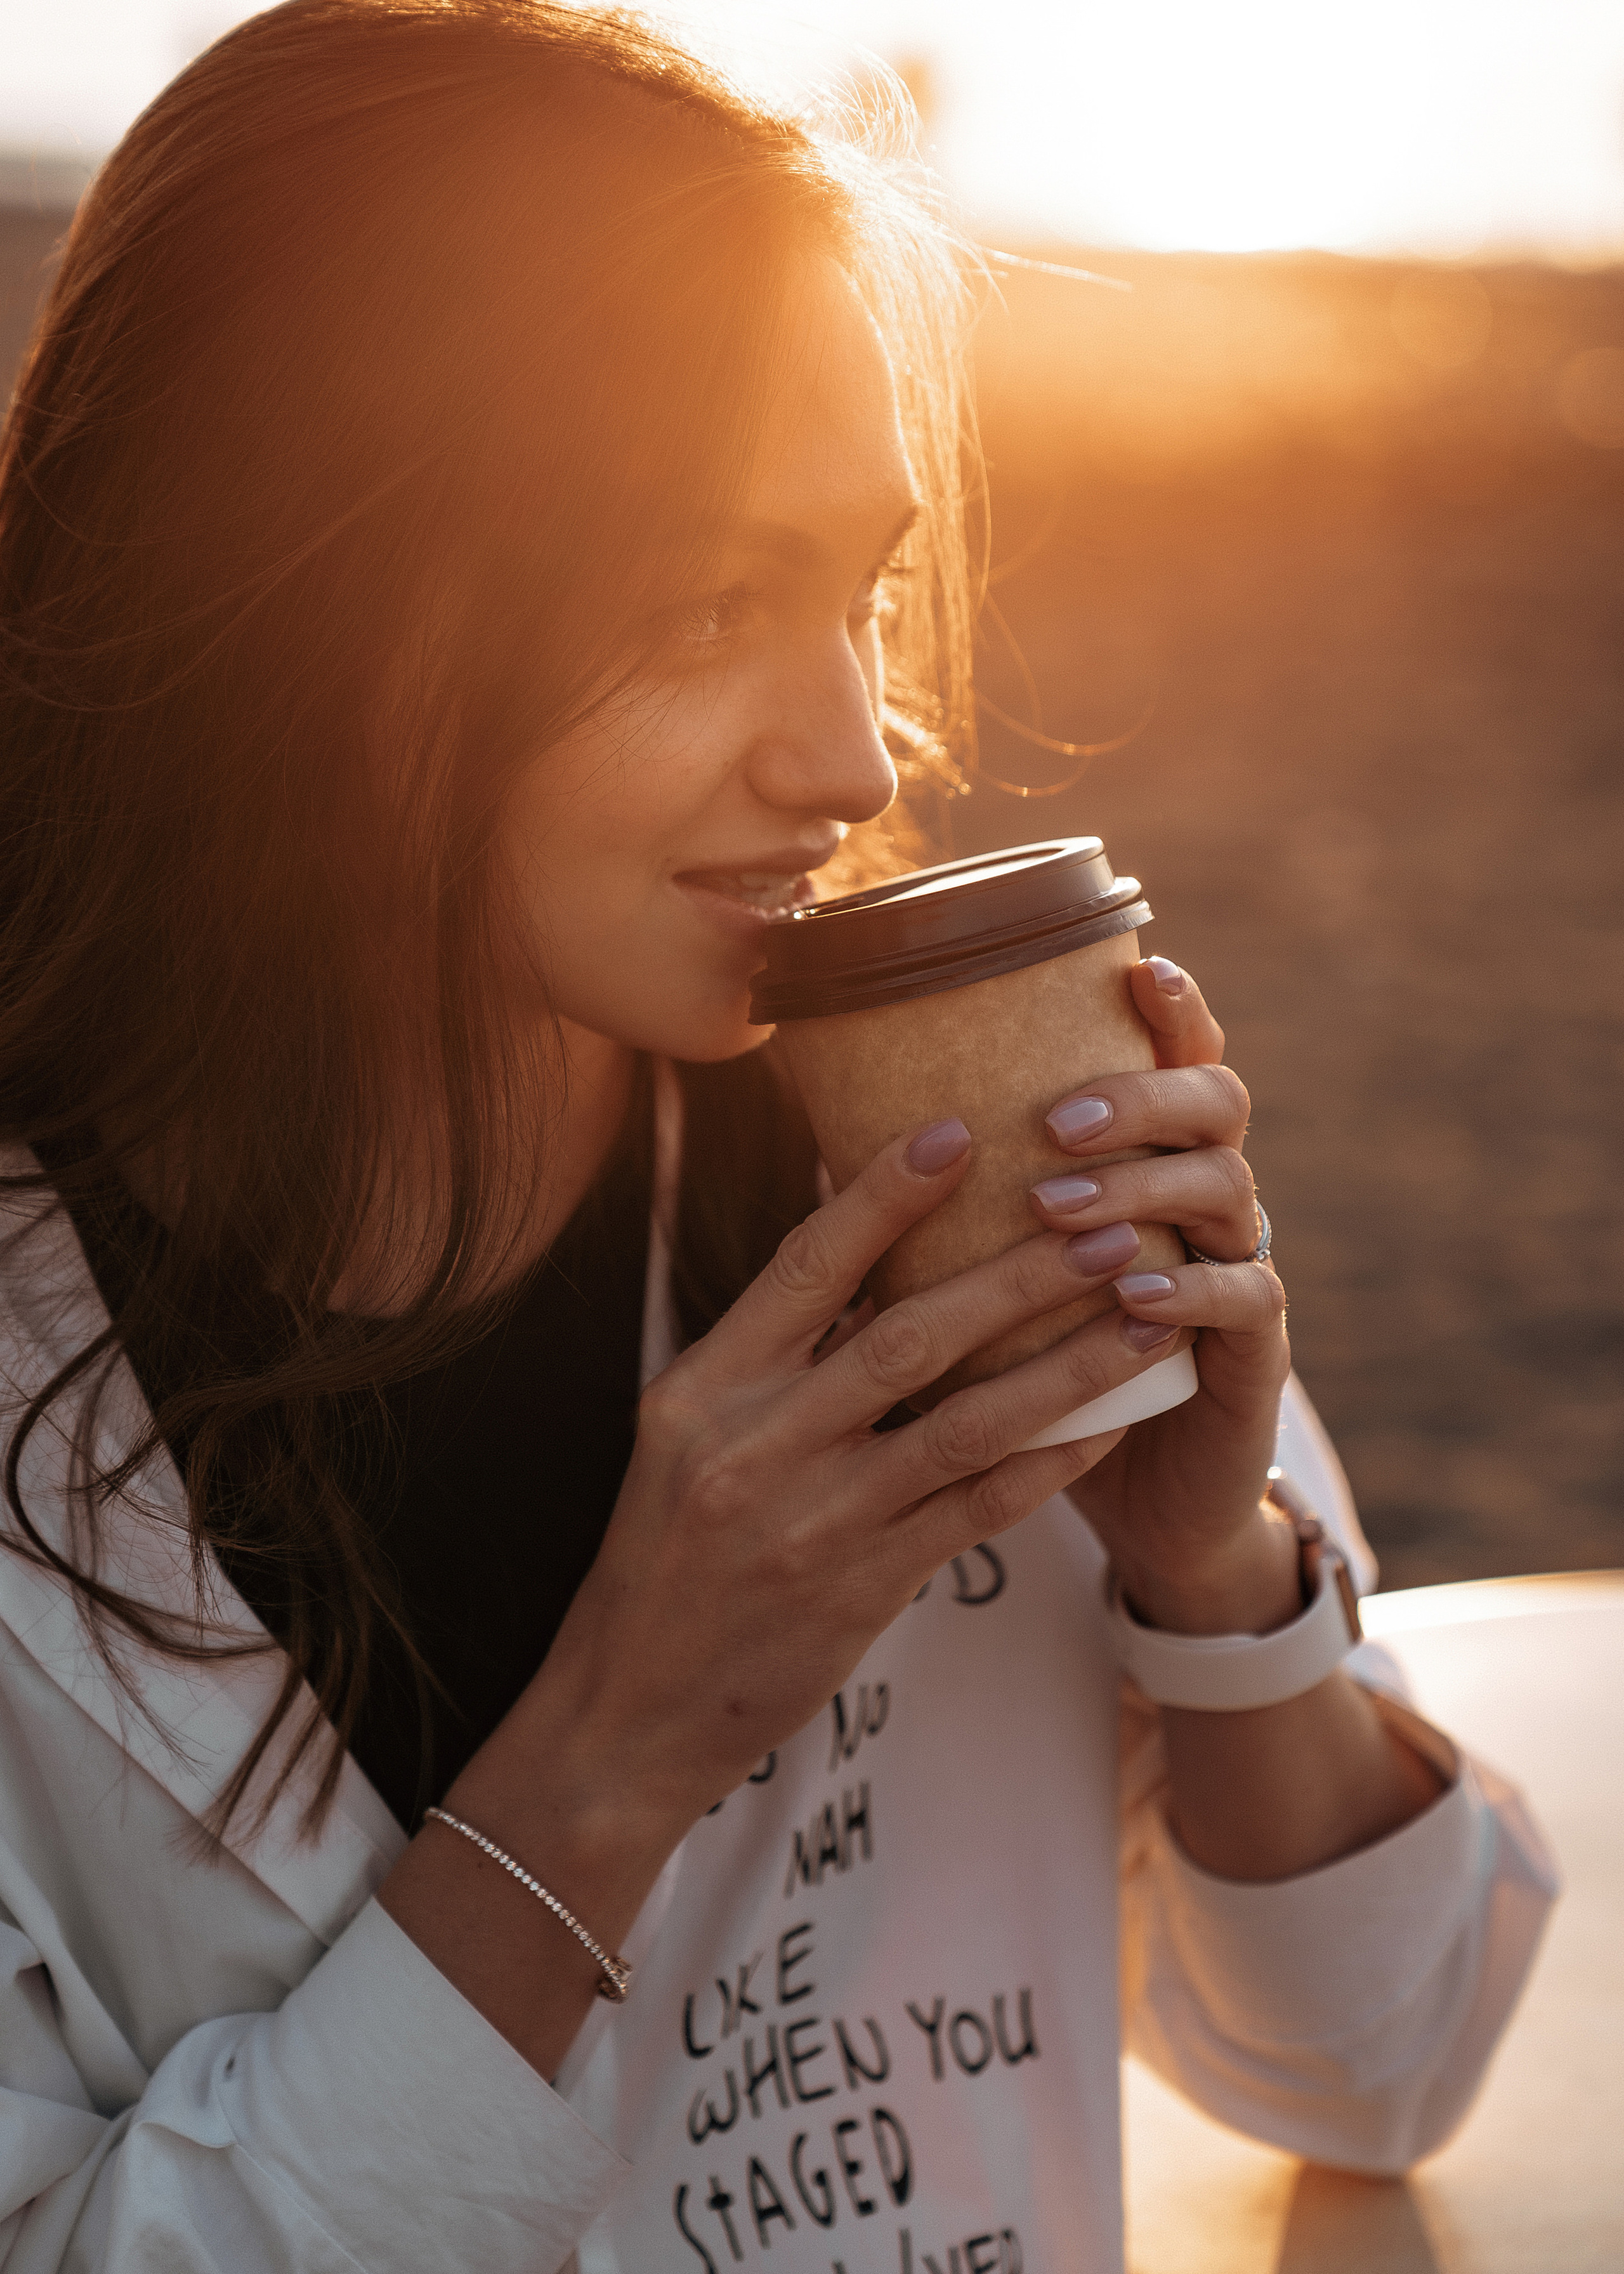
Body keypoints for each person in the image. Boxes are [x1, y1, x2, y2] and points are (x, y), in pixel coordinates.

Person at [0, 6, 1557, 2270]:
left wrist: (1215, 1583)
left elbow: (1379, 2059)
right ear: (294, 598)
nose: (848, 752)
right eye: (706, 604)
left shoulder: (925, 1171)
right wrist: (620, 1748)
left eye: (852, 593)